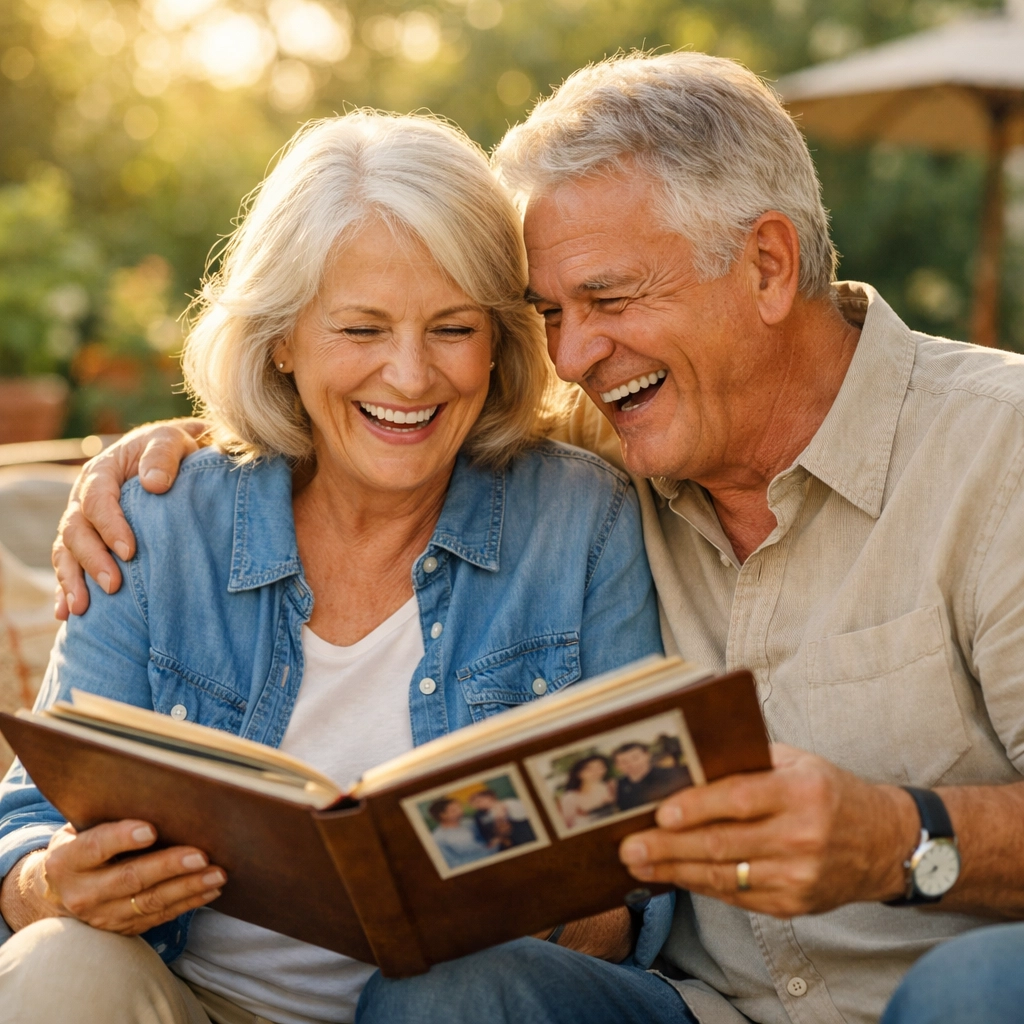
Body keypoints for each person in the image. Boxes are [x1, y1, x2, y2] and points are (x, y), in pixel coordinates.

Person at [40, 51, 1024, 1024]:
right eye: (550, 312)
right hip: (696, 1011)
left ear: (767, 265)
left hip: (939, 992)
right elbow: (369, 417)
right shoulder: (633, 440)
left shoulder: (993, 451)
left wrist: (898, 838)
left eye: (609, 299)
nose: (574, 356)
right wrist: (164, 455)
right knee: (445, 993)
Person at [0, 110, 665, 1024]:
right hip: (190, 998)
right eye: (361, 329)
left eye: (452, 328)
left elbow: (639, 886)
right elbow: (28, 823)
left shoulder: (583, 520)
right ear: (281, 338)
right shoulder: (157, 521)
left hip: (457, 1007)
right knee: (59, 965)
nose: (411, 377)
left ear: (500, 339)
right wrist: (48, 884)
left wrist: (535, 907)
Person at [611, 743, 691, 812]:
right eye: (624, 762)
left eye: (635, 758)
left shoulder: (674, 775)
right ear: (617, 766)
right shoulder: (618, 785)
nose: (631, 764)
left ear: (647, 755)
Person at [557, 755, 617, 830]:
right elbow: (567, 826)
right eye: (589, 769)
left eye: (600, 767)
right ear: (579, 773)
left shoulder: (608, 787)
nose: (596, 772)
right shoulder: (570, 797)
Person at [429, 800, 491, 868]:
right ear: (443, 815)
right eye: (454, 810)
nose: (460, 811)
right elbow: (453, 864)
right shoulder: (438, 838)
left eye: (460, 807)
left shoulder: (468, 822)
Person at [467, 789, 535, 850]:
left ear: (489, 798)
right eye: (474, 804)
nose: (477, 806)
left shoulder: (509, 803)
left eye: (479, 801)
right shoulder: (484, 815)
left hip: (526, 833)